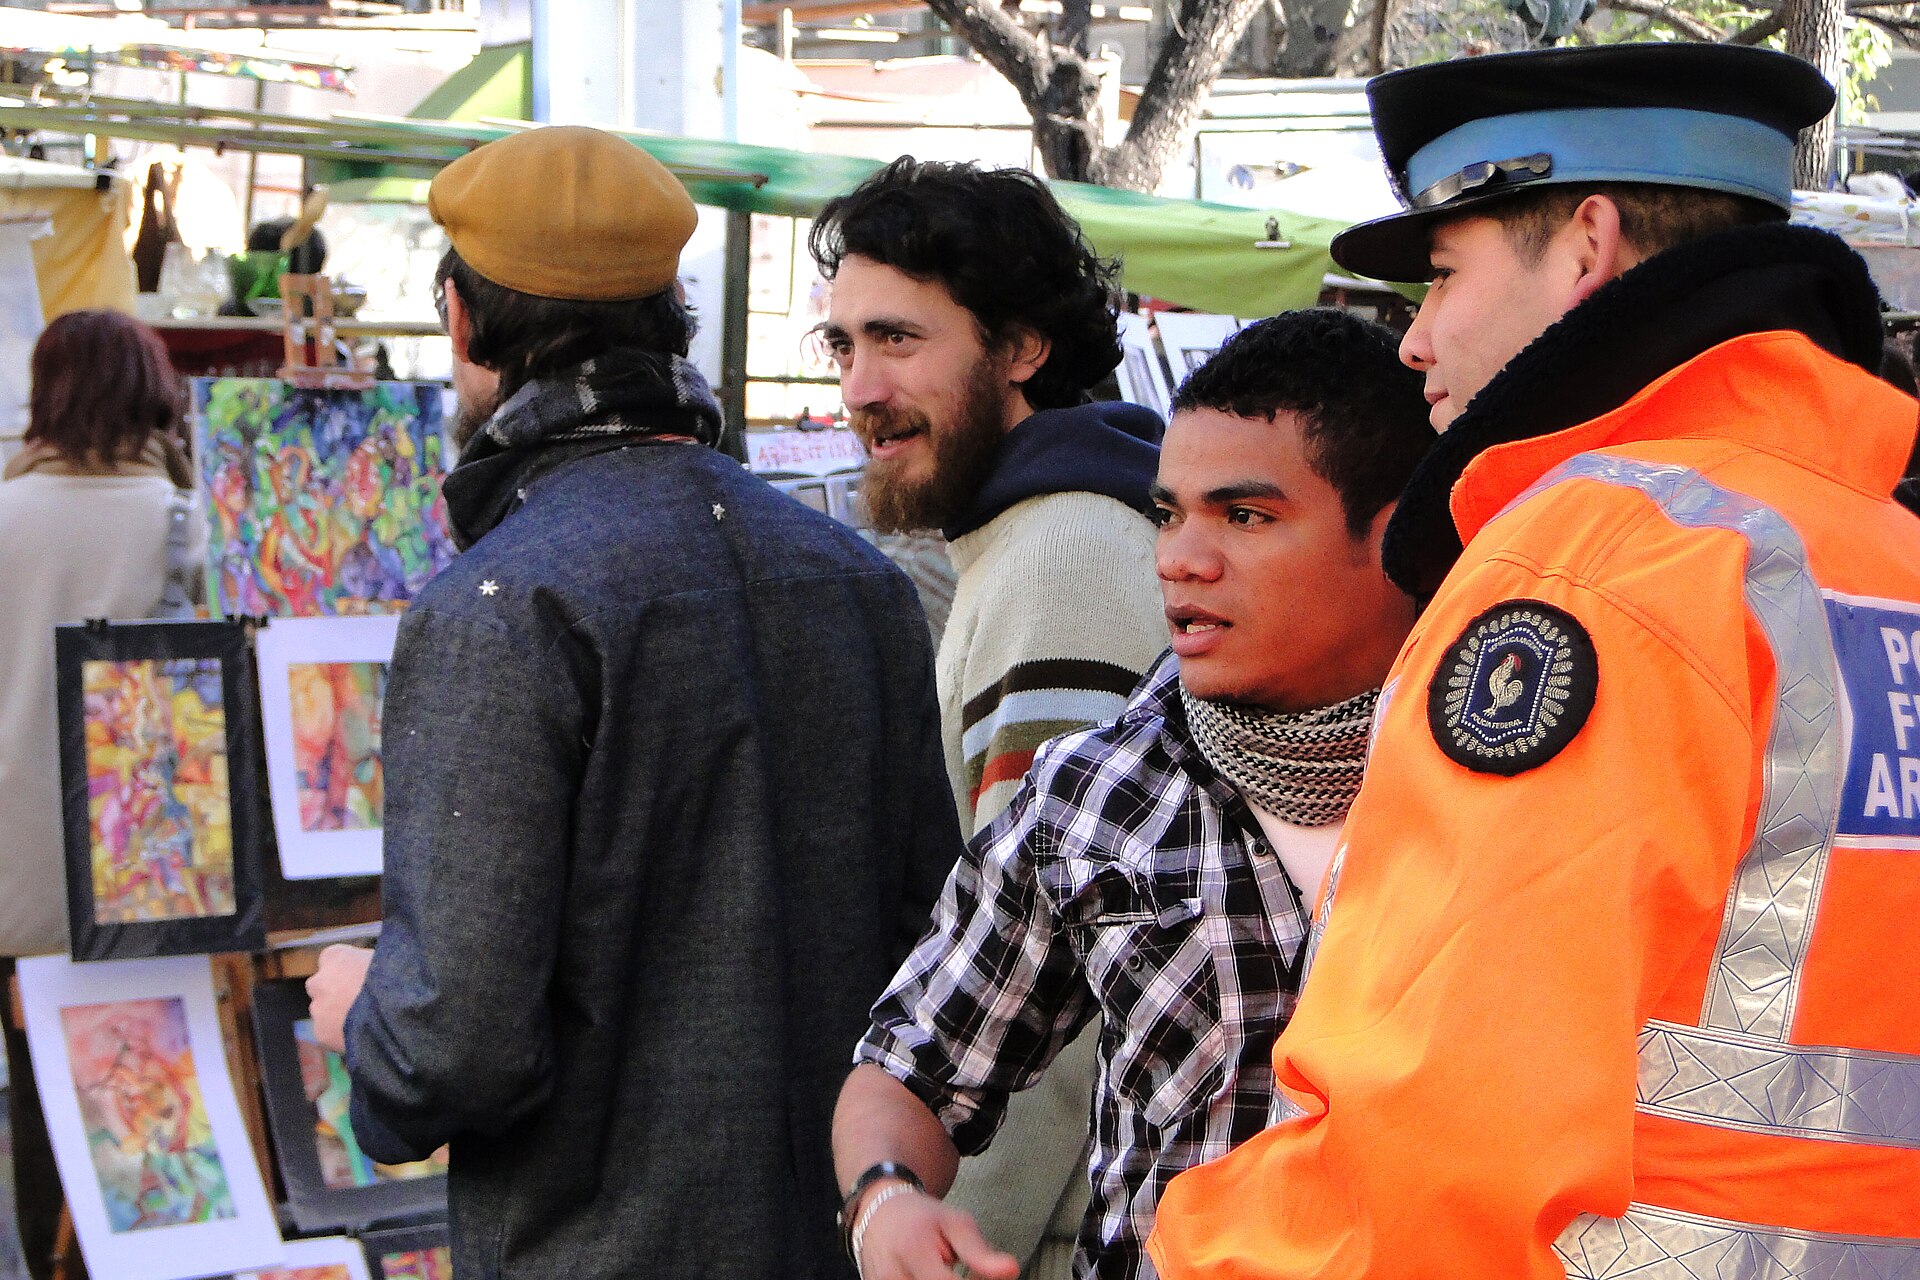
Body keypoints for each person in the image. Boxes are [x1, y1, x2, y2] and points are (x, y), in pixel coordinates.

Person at [1147, 43, 1920, 1279]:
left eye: (1443, 275)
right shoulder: (1880, 554)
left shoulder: (1595, 565)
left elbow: (1437, 1136)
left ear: (1586, 246)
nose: (1414, 341)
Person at [302, 126, 963, 1280]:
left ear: (461, 321)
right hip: (831, 1243)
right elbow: (928, 964)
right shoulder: (854, 580)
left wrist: (365, 1013)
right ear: (670, 320)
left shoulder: (502, 606)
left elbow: (453, 1047)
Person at [832, 310, 1432, 1280]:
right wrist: (886, 1203)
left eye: (1245, 516)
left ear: (1400, 533)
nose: (1180, 558)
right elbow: (910, 1067)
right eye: (1169, 513)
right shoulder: (1098, 796)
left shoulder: (1516, 786)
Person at [810, 157, 1170, 1279]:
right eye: (842, 345)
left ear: (1021, 348)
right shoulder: (1042, 535)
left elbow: (1055, 971)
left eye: (898, 339)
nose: (860, 386)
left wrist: (969, 1248)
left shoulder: (1061, 560)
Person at [0, 308, 204, 1280]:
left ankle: (50, 1260)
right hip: (153, 872)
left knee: (42, 1101)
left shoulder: (2, 517)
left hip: (15, 878)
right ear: (152, 394)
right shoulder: (187, 523)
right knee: (154, 1096)